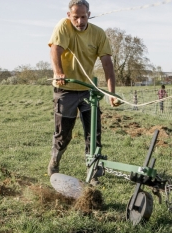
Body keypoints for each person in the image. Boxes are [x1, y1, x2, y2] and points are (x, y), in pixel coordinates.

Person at [47, 0, 119, 179]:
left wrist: (111, 93)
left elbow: (107, 63)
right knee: (64, 134)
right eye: (75, 17)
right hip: (65, 88)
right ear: (68, 16)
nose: (79, 21)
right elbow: (55, 49)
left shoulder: (98, 34)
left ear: (89, 14)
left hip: (88, 90)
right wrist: (59, 72)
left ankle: (93, 167)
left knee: (93, 132)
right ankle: (55, 159)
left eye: (83, 17)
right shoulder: (63, 27)